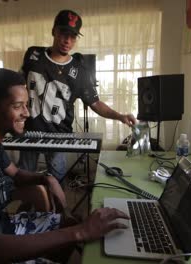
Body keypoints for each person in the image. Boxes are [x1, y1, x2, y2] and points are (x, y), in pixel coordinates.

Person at [0, 68, 129, 263]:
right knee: (76, 231)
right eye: (18, 106)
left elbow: (16, 174)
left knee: (69, 225)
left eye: (27, 105)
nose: (27, 113)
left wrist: (47, 178)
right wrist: (81, 232)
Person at [18, 9, 137, 181]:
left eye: (73, 36)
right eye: (63, 33)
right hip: (30, 131)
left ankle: (53, 208)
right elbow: (17, 86)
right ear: (54, 31)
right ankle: (29, 206)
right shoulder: (33, 54)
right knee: (24, 179)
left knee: (56, 182)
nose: (67, 40)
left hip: (59, 136)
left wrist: (120, 116)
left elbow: (95, 103)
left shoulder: (80, 70)